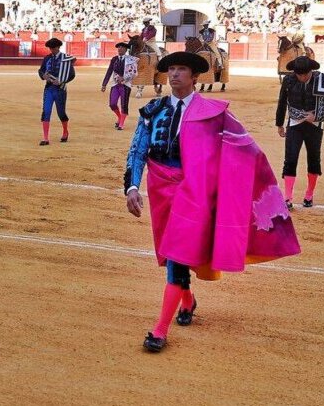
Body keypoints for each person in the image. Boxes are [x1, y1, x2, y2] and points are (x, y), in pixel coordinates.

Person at [123, 51, 300, 353]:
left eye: (182, 70)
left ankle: (159, 329)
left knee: (178, 252)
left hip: (195, 192)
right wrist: (132, 186)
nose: (175, 74)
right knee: (172, 252)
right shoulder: (152, 110)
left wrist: (239, 183)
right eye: (172, 69)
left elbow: (244, 150)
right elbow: (138, 151)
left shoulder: (213, 113)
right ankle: (188, 301)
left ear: (194, 78)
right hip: (161, 190)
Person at [276, 56, 324, 208]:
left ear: (311, 71)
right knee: (290, 158)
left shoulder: (321, 79)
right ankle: (287, 197)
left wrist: (317, 116)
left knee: (314, 159)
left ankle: (309, 194)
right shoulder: (289, 80)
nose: (302, 77)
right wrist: (279, 124)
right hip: (294, 123)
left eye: (305, 74)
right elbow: (282, 101)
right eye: (299, 74)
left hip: (314, 125)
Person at [37, 38, 75, 145]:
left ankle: (65, 131)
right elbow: (41, 70)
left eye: (53, 48)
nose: (51, 50)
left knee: (61, 112)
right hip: (49, 88)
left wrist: (62, 81)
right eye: (50, 48)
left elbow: (72, 75)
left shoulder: (66, 58)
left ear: (58, 47)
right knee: (46, 111)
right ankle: (45, 138)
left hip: (60, 89)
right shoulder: (47, 58)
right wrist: (43, 76)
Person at [101, 41, 137, 130]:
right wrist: (104, 84)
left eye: (122, 47)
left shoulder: (131, 59)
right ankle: (120, 117)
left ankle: (121, 123)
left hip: (126, 84)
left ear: (126, 49)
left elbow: (134, 73)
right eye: (119, 47)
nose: (119, 49)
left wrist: (124, 78)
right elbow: (109, 71)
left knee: (124, 104)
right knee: (112, 104)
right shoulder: (114, 59)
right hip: (115, 84)